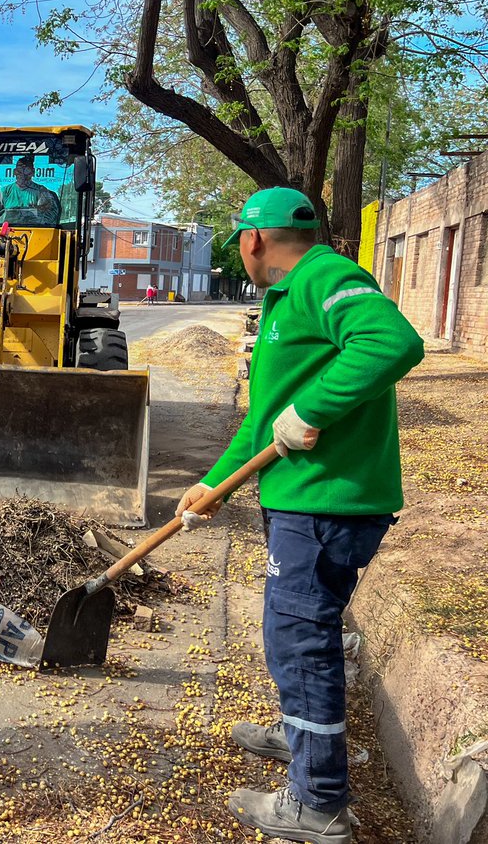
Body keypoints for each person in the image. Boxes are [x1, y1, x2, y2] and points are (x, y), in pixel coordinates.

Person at [174, 187, 424, 844]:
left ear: (253, 240)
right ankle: (303, 740)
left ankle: (317, 804)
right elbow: (263, 418)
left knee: (299, 643)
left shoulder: (325, 275)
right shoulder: (286, 300)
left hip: (327, 505)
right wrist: (213, 486)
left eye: (240, 246)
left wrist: (311, 412)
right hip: (301, 501)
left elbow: (392, 342)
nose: (242, 256)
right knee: (299, 638)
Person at [0, 154, 60, 226]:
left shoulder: (41, 191)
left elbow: (47, 211)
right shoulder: (5, 191)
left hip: (35, 231)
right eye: (19, 171)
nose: (22, 174)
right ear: (14, 172)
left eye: (26, 170)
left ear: (32, 172)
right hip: (7, 233)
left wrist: (37, 208)